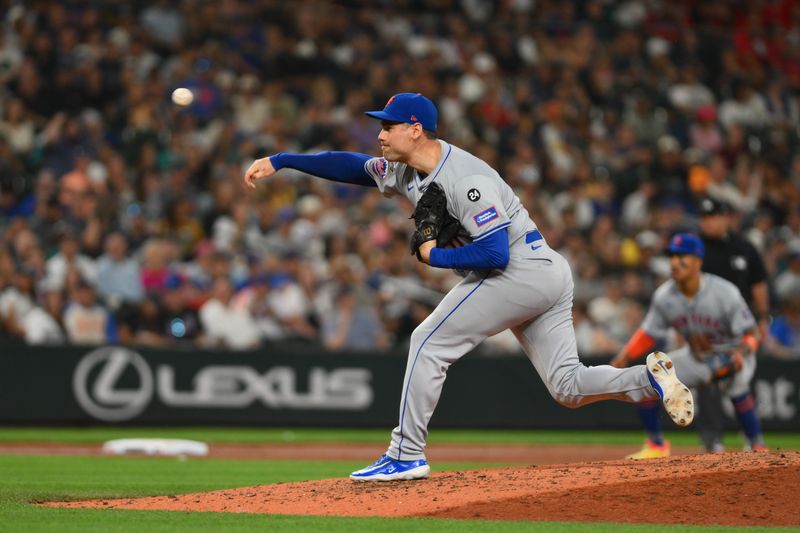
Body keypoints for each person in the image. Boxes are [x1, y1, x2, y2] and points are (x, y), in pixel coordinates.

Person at [243, 93, 694, 482]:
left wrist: (433, 256)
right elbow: (351, 166)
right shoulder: (404, 168)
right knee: (567, 386)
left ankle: (404, 455)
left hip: (520, 270)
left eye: (388, 126)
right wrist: (283, 161)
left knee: (427, 341)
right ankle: (649, 379)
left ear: (415, 129)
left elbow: (495, 255)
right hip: (545, 271)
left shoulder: (466, 179)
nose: (379, 134)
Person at [612, 233, 766, 458]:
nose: (675, 262)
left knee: (738, 386)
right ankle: (656, 445)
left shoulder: (724, 292)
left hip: (734, 353)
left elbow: (753, 334)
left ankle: (757, 445)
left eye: (682, 256)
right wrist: (624, 356)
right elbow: (648, 332)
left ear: (698, 261)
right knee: (646, 378)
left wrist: (741, 354)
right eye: (672, 256)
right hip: (698, 358)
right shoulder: (665, 296)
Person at [695, 196, 770, 453]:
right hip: (705, 328)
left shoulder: (745, 248)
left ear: (725, 217)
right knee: (707, 381)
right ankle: (713, 441)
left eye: (712, 216)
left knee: (741, 382)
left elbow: (758, 285)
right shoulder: (696, 249)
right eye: (704, 218)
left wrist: (763, 318)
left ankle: (753, 439)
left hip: (740, 328)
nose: (707, 222)